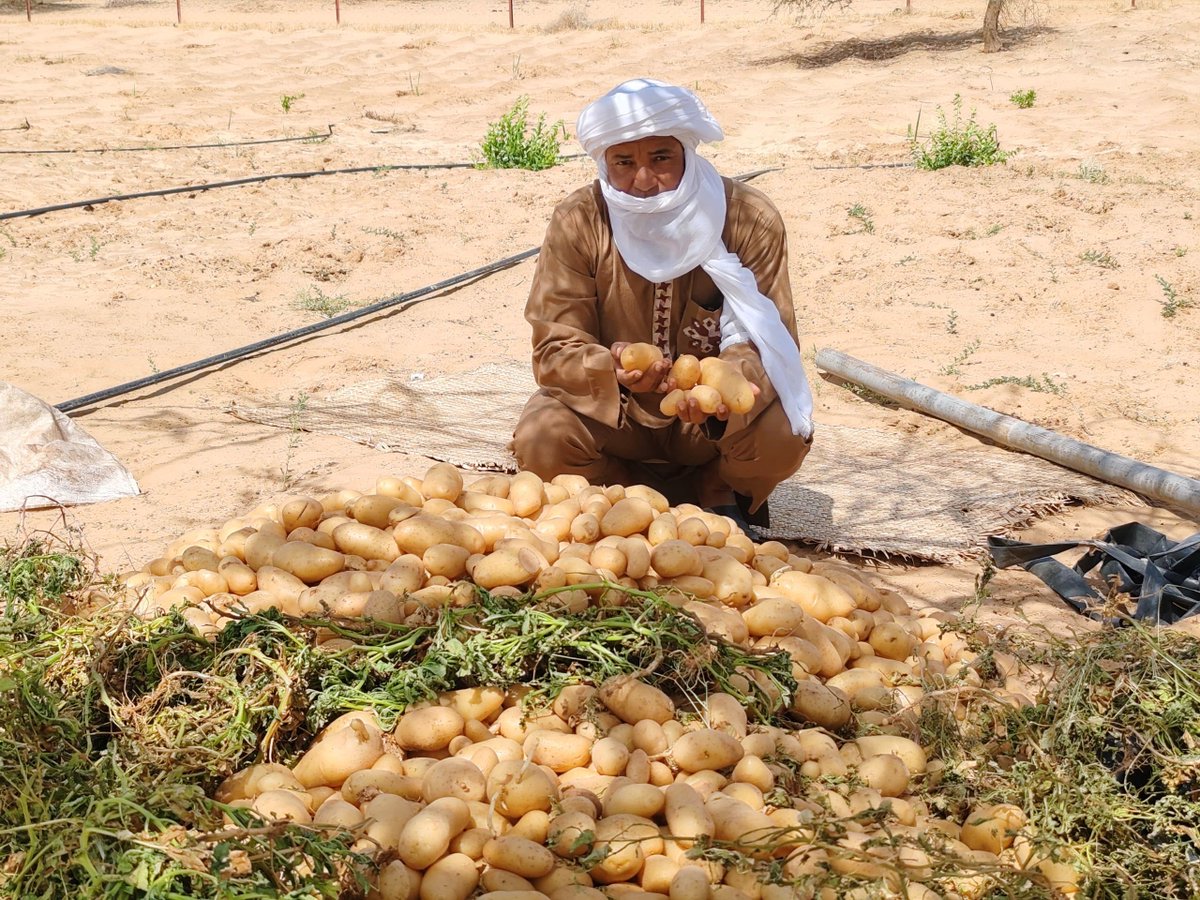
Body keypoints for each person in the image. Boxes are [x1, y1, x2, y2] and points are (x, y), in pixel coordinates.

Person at [511, 78, 814, 531]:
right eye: (624, 162)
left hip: (710, 428)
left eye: (660, 158)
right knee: (541, 437)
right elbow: (554, 346)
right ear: (604, 162)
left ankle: (718, 486)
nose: (643, 181)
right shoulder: (580, 221)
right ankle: (619, 490)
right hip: (617, 416)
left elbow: (770, 339)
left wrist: (725, 385)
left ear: (686, 152)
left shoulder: (748, 219)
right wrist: (609, 368)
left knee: (785, 433)